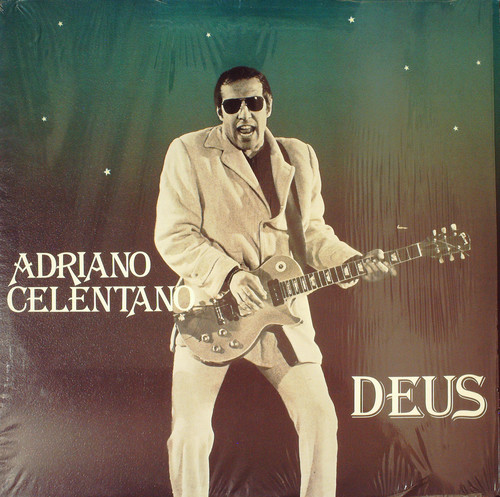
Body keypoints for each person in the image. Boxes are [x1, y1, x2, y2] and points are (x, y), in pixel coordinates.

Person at [154, 66, 394, 497]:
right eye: (232, 106)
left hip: (283, 313)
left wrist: (353, 261)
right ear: (220, 112)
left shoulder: (299, 156)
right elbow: (175, 235)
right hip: (211, 310)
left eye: (253, 103)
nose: (243, 114)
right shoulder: (187, 152)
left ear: (269, 106)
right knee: (190, 433)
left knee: (321, 418)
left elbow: (313, 234)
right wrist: (230, 275)